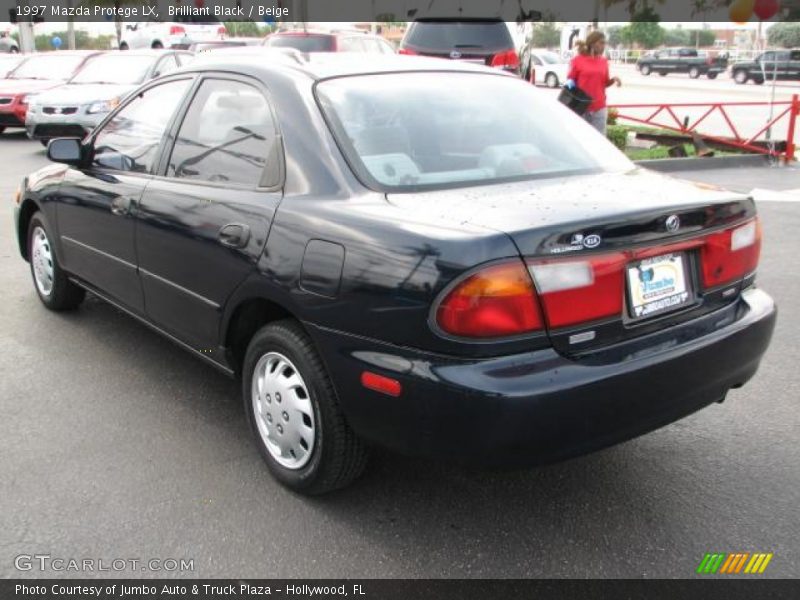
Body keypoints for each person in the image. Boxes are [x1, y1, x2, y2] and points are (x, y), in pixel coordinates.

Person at [566, 31, 621, 135]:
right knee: (580, 139)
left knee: (599, 141)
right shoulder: (577, 60)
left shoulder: (604, 61)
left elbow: (604, 83)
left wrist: (613, 80)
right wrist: (573, 102)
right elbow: (570, 82)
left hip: (599, 107)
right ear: (592, 43)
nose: (603, 46)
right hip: (581, 107)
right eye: (601, 43)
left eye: (605, 43)